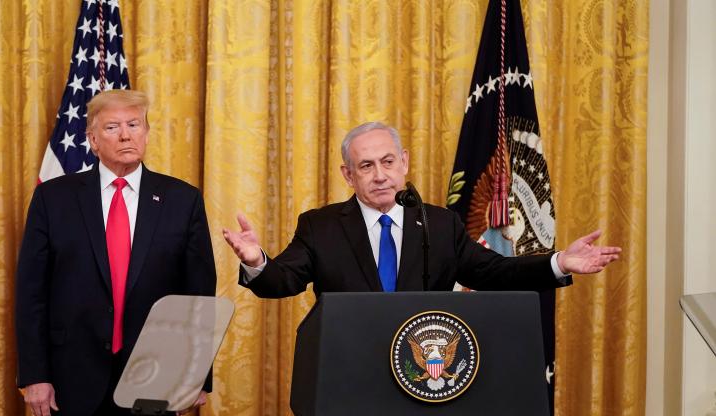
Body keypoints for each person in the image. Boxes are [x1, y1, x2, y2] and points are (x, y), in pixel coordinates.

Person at [15, 90, 216, 416]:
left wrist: (195, 376)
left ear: (146, 132)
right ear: (92, 138)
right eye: (112, 127)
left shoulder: (182, 199)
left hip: (154, 381)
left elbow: (199, 296)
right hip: (71, 380)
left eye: (134, 125)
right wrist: (35, 374)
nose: (126, 135)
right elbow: (31, 293)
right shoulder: (53, 199)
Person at [223, 121, 620, 297]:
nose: (380, 175)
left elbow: (495, 271)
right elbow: (282, 283)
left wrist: (560, 262)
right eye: (366, 166)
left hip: (427, 374)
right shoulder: (320, 226)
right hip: (346, 379)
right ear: (348, 175)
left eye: (388, 161)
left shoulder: (439, 224)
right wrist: (258, 260)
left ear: (404, 162)